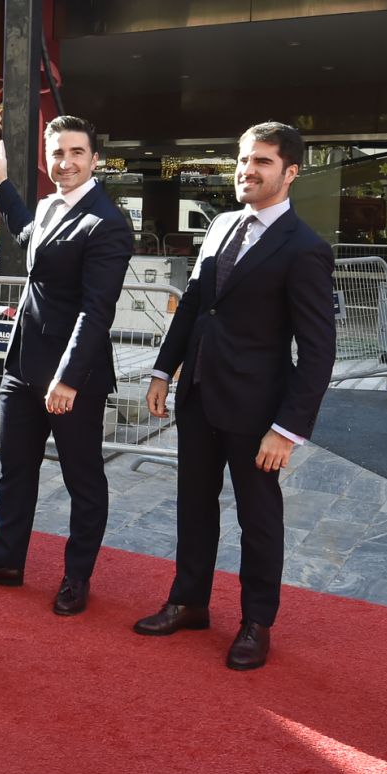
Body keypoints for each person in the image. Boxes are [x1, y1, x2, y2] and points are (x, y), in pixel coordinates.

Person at [134, 122, 336, 670]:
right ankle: (189, 601)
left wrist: (287, 430)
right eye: (244, 159)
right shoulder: (221, 224)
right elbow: (197, 304)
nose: (247, 169)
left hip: (258, 412)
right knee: (193, 508)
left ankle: (256, 623)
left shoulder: (305, 249)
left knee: (258, 519)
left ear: (290, 172)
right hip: (198, 394)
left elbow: (317, 353)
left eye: (262, 161)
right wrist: (162, 370)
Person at [0, 117, 135, 615]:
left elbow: (97, 311)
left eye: (76, 152)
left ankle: (77, 577)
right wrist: (2, 185)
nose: (65, 162)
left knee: (83, 479)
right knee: (15, 470)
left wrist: (68, 379)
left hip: (73, 378)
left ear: (95, 159)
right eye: (57, 153)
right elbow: (29, 233)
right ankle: (6, 561)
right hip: (23, 366)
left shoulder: (107, 222)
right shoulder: (52, 205)